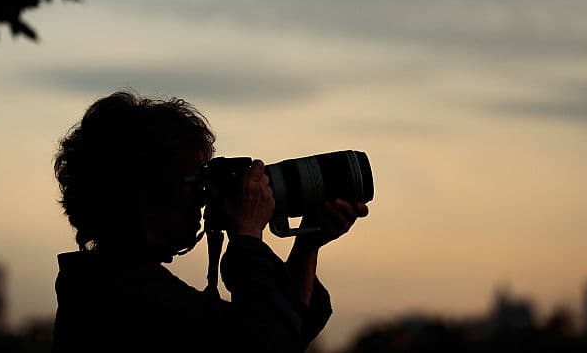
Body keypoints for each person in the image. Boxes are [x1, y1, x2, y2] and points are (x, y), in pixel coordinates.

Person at [51, 91, 368, 353]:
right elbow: (268, 342)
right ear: (150, 194)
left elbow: (287, 330)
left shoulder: (104, 282)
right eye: (195, 181)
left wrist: (307, 246)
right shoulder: (125, 296)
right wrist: (247, 236)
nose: (204, 197)